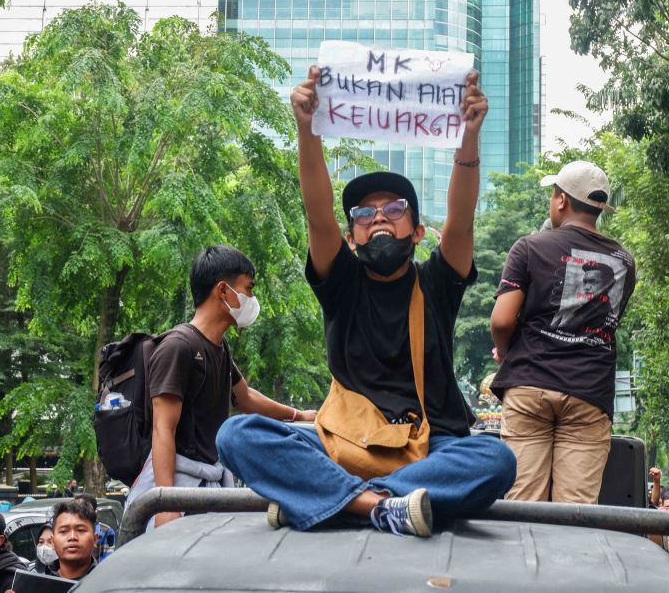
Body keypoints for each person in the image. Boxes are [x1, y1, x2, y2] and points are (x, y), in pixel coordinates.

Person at [216, 65, 515, 539]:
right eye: (363, 213)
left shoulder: (437, 282)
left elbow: (460, 220)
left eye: (394, 210)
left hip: (430, 442)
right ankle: (378, 506)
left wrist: (469, 136)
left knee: (494, 460)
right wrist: (306, 128)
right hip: (340, 438)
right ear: (351, 236)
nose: (379, 219)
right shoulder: (342, 281)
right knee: (237, 435)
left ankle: (326, 498)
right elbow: (317, 211)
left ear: (417, 232)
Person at [127, 245, 314, 529]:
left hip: (208, 484)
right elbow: (163, 428)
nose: (252, 299)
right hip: (177, 487)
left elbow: (245, 397)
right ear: (224, 291)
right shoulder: (178, 347)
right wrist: (166, 504)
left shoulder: (218, 347)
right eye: (248, 289)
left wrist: (299, 416)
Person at [489, 160, 636, 504]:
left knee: (523, 506)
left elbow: (501, 321)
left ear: (560, 199)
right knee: (575, 514)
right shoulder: (625, 261)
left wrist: (506, 350)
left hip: (530, 385)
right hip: (589, 392)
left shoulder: (529, 247)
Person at [46, 501, 97, 581]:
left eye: (80, 530)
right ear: (52, 541)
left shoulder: (109, 585)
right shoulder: (36, 584)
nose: (72, 537)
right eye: (63, 531)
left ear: (95, 539)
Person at [73, 494, 114, 562]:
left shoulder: (106, 531)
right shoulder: (66, 528)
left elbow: (108, 559)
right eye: (74, 508)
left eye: (83, 507)